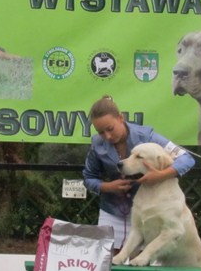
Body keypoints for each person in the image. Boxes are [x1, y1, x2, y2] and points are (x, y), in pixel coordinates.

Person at [82, 95, 194, 252]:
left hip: (147, 214)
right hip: (111, 211)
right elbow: (88, 177)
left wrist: (160, 176)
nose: (107, 136)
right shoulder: (97, 144)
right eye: (101, 132)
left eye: (110, 129)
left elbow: (187, 159)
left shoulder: (147, 137)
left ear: (121, 118)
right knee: (107, 261)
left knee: (140, 261)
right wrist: (107, 187)